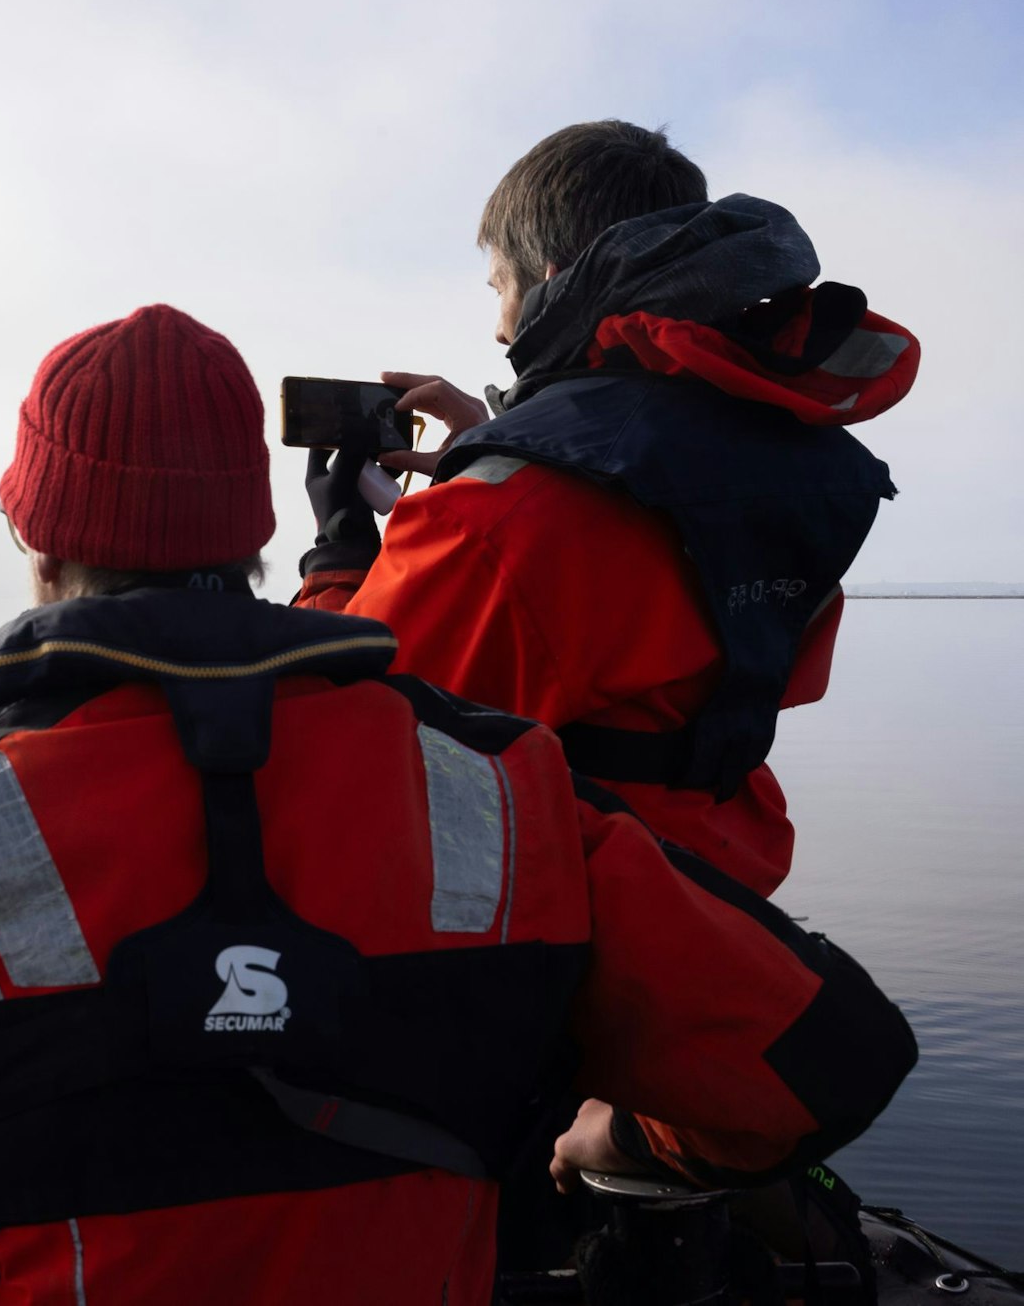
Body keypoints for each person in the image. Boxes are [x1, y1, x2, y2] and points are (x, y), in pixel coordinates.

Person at [0, 304, 915, 1304]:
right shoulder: (507, 793)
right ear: (250, 538)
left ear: (36, 538)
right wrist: (622, 1142)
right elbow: (826, 1061)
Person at [297, 120, 919, 899]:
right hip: (720, 893)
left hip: (567, 909)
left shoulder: (499, 515)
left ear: (551, 277)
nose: (497, 327)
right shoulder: (788, 451)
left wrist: (338, 557)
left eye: (498, 287)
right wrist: (499, 445)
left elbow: (342, 736)